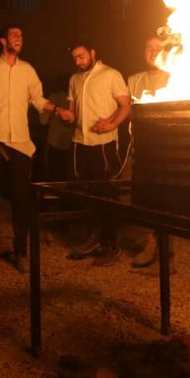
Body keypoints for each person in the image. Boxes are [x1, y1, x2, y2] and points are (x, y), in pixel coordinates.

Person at [0, 26, 64, 271]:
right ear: (2, 41)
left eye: (21, 35)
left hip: (20, 143)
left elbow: (38, 99)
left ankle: (20, 251)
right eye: (14, 35)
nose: (19, 39)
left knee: (22, 199)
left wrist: (57, 109)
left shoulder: (28, 70)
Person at [59, 40, 132, 266]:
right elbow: (72, 111)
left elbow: (125, 106)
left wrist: (111, 125)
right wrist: (67, 115)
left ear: (92, 53)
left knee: (107, 193)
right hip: (81, 142)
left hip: (104, 144)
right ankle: (93, 238)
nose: (78, 61)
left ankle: (111, 244)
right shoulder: (74, 79)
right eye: (75, 59)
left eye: (81, 56)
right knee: (86, 192)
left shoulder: (111, 74)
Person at [125, 35, 172, 268]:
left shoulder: (176, 77)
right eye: (148, 48)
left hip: (169, 149)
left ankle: (167, 258)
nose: (153, 52)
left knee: (166, 200)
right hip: (142, 146)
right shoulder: (134, 80)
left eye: (158, 48)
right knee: (146, 199)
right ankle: (151, 243)